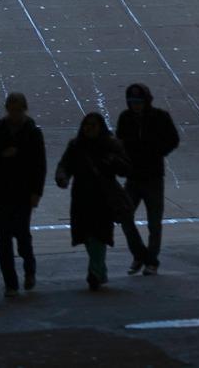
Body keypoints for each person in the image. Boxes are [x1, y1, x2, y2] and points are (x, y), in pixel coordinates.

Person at [55, 112, 131, 291]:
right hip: (82, 197)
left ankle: (95, 271)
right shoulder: (76, 146)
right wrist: (62, 177)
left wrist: (113, 161)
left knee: (98, 234)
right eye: (86, 125)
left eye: (93, 125)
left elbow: (126, 168)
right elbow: (65, 165)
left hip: (102, 198)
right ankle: (99, 268)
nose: (89, 128)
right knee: (89, 237)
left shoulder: (110, 146)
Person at [0, 92, 46, 297]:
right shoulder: (2, 131)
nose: (15, 114)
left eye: (18, 110)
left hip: (21, 192)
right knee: (6, 240)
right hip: (3, 192)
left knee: (21, 236)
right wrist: (2, 156)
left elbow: (40, 165)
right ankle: (12, 281)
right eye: (12, 110)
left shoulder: (31, 133)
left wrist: (36, 191)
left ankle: (28, 272)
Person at [115, 83, 179, 275]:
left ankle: (147, 258)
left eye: (139, 102)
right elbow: (120, 142)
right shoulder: (126, 118)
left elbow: (173, 140)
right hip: (134, 176)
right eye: (132, 102)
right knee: (125, 217)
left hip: (151, 176)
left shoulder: (159, 117)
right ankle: (144, 257)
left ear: (146, 101)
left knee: (153, 221)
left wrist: (155, 153)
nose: (135, 105)